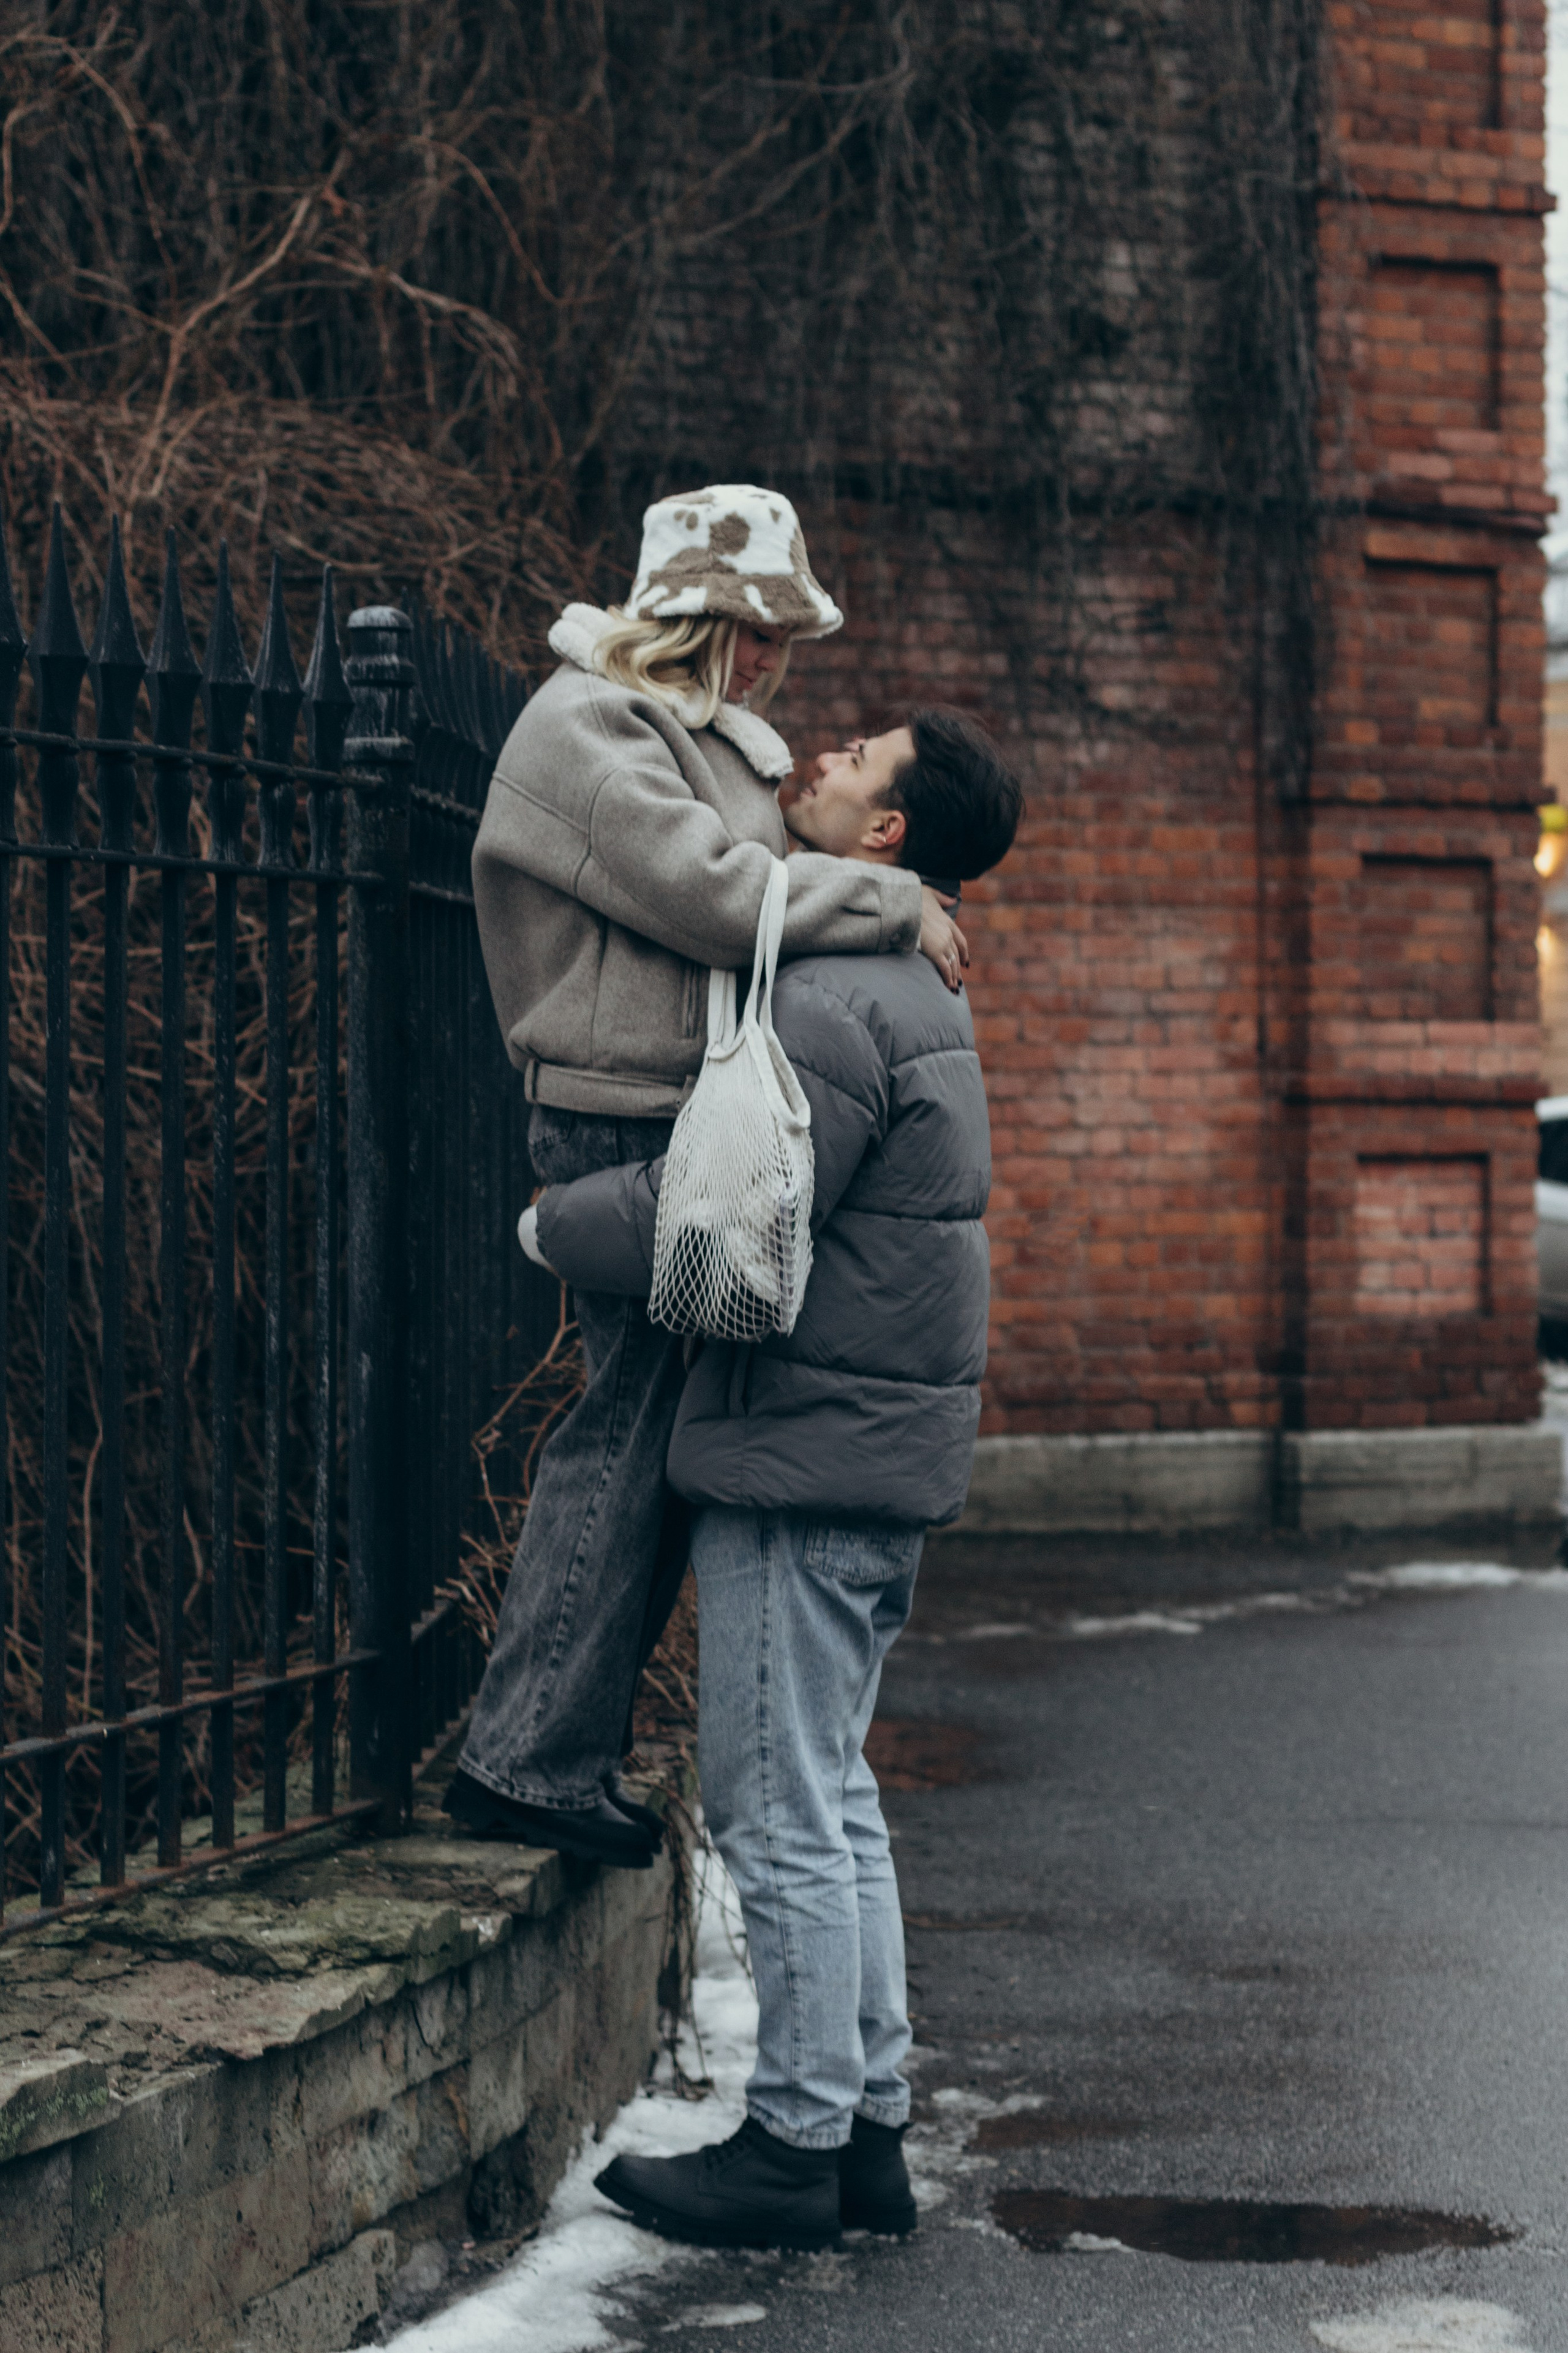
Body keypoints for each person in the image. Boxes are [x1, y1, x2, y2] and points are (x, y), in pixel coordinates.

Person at [521, 708, 1023, 2249]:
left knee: (772, 1799)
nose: (815, 757)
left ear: (885, 837)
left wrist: (553, 1223)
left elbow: (728, 1217)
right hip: (864, 1453)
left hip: (802, 1457)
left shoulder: (833, 999)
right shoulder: (902, 988)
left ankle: (794, 2142)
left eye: (854, 759)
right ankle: (865, 2124)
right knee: (834, 1793)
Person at [446, 486, 971, 1870]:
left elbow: (771, 880)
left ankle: (555, 1744)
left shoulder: (703, 738)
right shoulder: (585, 730)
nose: (774, 666)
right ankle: (520, 1756)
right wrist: (897, 900)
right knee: (627, 1435)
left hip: (679, 1120)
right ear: (695, 615)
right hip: (611, 1119)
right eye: (756, 630)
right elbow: (724, 900)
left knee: (658, 1450)